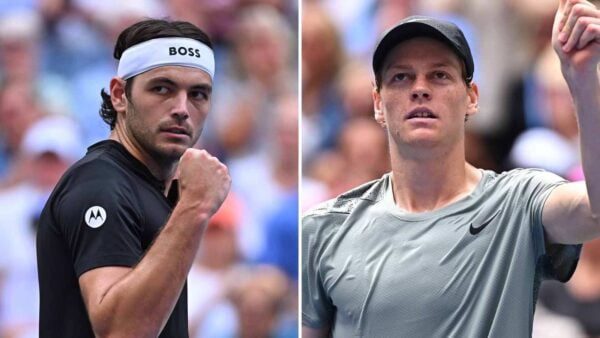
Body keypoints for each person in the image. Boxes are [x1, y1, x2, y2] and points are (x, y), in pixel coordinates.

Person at [302, 0, 600, 337]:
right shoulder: (324, 227)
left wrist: (582, 79)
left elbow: (596, 211)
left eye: (439, 75)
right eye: (401, 77)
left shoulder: (518, 201)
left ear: (472, 97)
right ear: (377, 104)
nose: (419, 89)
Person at [36, 19, 231, 337]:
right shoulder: (101, 184)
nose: (182, 108)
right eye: (162, 88)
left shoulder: (152, 189)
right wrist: (194, 207)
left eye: (198, 94)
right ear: (119, 95)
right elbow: (120, 331)